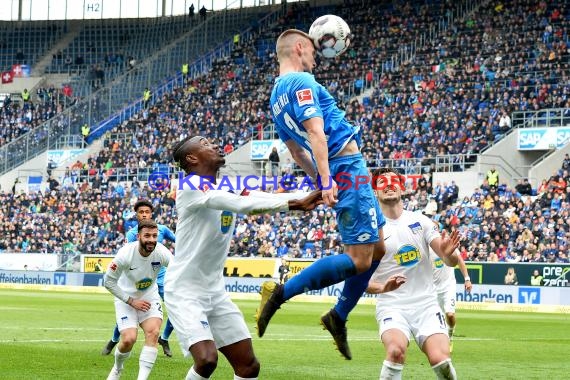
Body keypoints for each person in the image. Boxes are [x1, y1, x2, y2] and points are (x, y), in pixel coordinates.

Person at [256, 29, 386, 361]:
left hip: (343, 170)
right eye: (312, 50)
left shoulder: (275, 98)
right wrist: (328, 182)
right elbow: (314, 133)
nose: (315, 57)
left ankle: (338, 316)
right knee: (360, 260)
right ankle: (281, 294)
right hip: (346, 167)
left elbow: (296, 152)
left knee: (380, 247)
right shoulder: (302, 83)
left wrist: (321, 181)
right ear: (299, 48)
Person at [164, 135, 323, 380]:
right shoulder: (190, 186)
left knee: (248, 366)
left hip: (214, 291)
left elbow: (256, 197)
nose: (215, 144)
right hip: (184, 291)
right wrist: (293, 204)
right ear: (191, 158)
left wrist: (302, 198)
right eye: (206, 144)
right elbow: (238, 203)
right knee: (206, 360)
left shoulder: (227, 185)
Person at [366, 167, 460, 380]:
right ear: (375, 191)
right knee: (395, 351)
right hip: (391, 305)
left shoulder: (422, 222)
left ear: (402, 188)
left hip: (426, 304)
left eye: (393, 181)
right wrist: (383, 287)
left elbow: (449, 260)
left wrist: (448, 254)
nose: (389, 185)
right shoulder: (371, 230)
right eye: (382, 182)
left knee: (441, 361)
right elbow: (359, 281)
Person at [102, 200, 176, 357]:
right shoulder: (131, 234)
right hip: (138, 280)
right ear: (136, 215)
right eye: (141, 212)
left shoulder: (162, 229)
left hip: (161, 280)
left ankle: (165, 338)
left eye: (147, 212)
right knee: (129, 314)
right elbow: (134, 256)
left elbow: (179, 242)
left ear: (151, 214)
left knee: (176, 310)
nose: (144, 214)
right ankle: (115, 339)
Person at [430, 221, 472, 353]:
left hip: (448, 286)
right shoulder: (424, 246)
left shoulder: (448, 243)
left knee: (450, 314)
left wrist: (467, 279)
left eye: (435, 227)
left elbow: (459, 261)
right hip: (431, 288)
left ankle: (450, 335)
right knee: (434, 318)